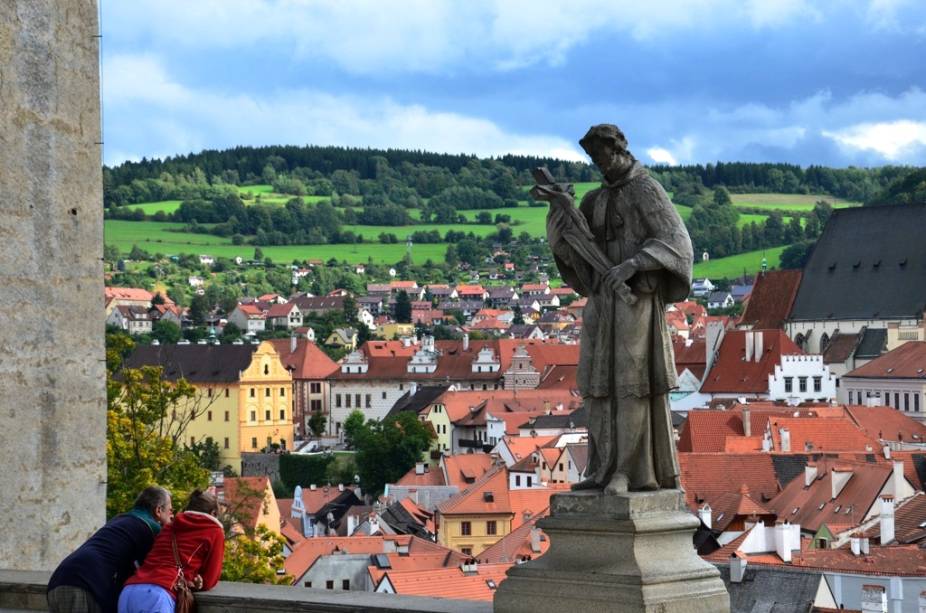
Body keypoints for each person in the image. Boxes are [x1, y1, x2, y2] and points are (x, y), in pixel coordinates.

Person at [534, 124, 693, 494]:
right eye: (594, 161)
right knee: (596, 386)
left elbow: (677, 243)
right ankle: (601, 467)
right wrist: (559, 220)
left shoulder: (646, 190)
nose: (600, 166)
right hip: (603, 301)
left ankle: (629, 471)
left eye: (603, 158)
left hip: (635, 300)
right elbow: (579, 257)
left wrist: (635, 263)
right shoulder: (593, 200)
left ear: (620, 150)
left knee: (631, 386)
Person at [47, 486, 173, 613]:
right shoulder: (151, 527)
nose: (172, 516)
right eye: (170, 511)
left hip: (58, 581)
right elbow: (149, 574)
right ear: (158, 510)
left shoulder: (120, 520)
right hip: (83, 585)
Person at [118, 489, 225, 613]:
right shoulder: (214, 531)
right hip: (159, 595)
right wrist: (198, 582)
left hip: (129, 591)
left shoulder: (170, 526)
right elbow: (210, 578)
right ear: (213, 513)